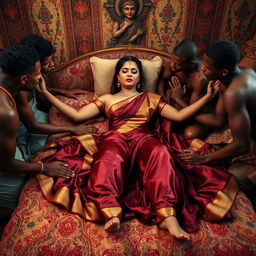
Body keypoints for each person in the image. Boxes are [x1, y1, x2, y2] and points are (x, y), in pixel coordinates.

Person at [36, 56, 238, 240]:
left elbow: (179, 116)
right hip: (116, 138)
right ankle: (111, 211)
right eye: (125, 70)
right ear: (117, 77)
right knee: (108, 158)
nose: (129, 74)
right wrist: (45, 92)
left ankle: (168, 216)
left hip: (144, 138)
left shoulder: (151, 98)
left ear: (140, 77)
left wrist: (207, 97)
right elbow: (77, 115)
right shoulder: (107, 99)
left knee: (161, 153)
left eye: (134, 71)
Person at [0, 44, 74, 220]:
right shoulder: (6, 113)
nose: (41, 77)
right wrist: (44, 167)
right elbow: (6, 164)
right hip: (3, 163)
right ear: (24, 80)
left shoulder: (7, 79)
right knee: (15, 204)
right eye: (38, 74)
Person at [178, 40, 256, 194]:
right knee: (197, 149)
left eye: (207, 68)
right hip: (243, 135)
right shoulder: (243, 71)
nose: (202, 68)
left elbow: (243, 145)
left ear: (224, 72)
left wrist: (203, 159)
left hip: (250, 145)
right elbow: (218, 119)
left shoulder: (234, 93)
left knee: (221, 180)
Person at [16, 34, 97, 161]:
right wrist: (73, 129)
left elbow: (39, 89)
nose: (52, 65)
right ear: (35, 64)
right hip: (21, 132)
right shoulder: (21, 91)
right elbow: (33, 126)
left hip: (34, 116)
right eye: (47, 63)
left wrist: (63, 91)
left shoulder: (31, 77)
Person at [158, 40, 212, 139]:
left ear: (190, 64)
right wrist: (162, 97)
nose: (172, 65)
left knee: (190, 134)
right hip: (178, 102)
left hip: (196, 112)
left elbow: (192, 110)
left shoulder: (199, 79)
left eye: (178, 63)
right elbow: (162, 80)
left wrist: (178, 98)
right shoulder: (174, 63)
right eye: (172, 59)